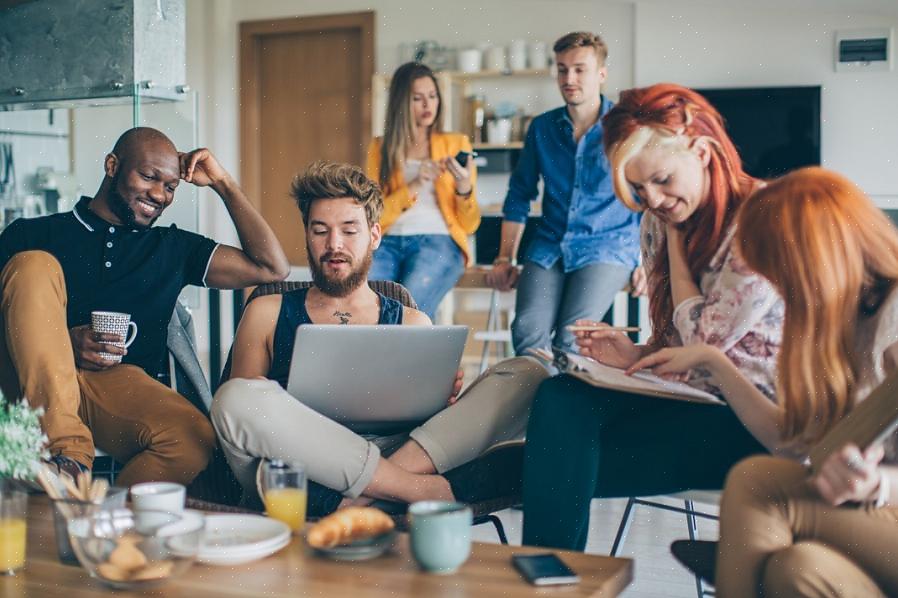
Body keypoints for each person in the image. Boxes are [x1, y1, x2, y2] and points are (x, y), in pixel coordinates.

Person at [520, 83, 785, 550]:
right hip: (685, 405)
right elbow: (673, 343)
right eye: (638, 189)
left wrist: (677, 244)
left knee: (549, 467)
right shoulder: (653, 221)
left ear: (702, 151)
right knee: (559, 398)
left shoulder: (763, 220)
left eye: (662, 180)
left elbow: (705, 338)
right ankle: (552, 575)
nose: (653, 200)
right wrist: (634, 354)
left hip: (750, 423)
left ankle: (456, 500)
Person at [211, 161, 548, 515]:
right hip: (299, 464)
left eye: (349, 230)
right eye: (320, 230)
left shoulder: (414, 322)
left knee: (530, 373)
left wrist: (444, 404)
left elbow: (432, 427)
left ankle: (356, 500)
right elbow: (247, 413)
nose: (333, 244)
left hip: (394, 450)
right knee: (235, 397)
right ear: (307, 234)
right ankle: (419, 490)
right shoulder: (267, 310)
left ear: (374, 235)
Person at [0, 127, 290, 486]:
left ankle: (101, 523)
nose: (159, 194)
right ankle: (68, 455)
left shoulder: (172, 248)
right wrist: (62, 339)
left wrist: (222, 182)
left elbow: (271, 267)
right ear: (112, 166)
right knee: (33, 264)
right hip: (28, 386)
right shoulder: (33, 233)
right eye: (149, 176)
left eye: (170, 187)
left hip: (117, 387)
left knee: (195, 440)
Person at [691, 168, 898, 597]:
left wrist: (881, 484)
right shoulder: (847, 322)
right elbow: (798, 441)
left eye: (781, 273)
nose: (781, 291)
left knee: (757, 482)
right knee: (797, 569)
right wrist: (716, 363)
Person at [485, 31, 643, 356]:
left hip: (607, 246)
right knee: (528, 332)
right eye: (561, 69)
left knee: (571, 340)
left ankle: (559, 406)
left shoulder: (626, 128)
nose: (569, 78)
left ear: (601, 74)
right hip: (549, 245)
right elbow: (519, 194)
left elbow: (648, 200)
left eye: (579, 69)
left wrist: (649, 261)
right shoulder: (542, 128)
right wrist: (504, 257)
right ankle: (535, 406)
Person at [366, 62, 480, 320]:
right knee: (365, 303)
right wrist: (415, 184)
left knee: (406, 310)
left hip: (438, 240)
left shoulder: (456, 143)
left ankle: (400, 360)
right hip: (386, 242)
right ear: (400, 103)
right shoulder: (380, 148)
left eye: (432, 96)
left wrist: (464, 188)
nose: (428, 105)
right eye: (418, 98)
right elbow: (372, 215)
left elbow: (470, 224)